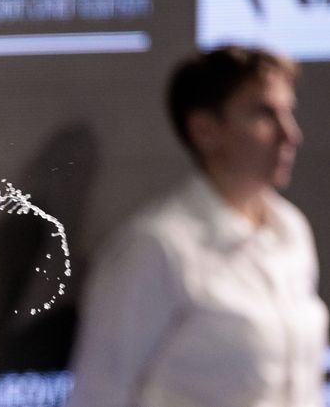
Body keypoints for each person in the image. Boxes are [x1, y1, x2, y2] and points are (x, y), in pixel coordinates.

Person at [69, 46, 328, 407]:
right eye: (265, 113)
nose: (291, 134)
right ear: (205, 130)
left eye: (288, 112)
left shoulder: (291, 230)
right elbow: (98, 395)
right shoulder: (155, 247)